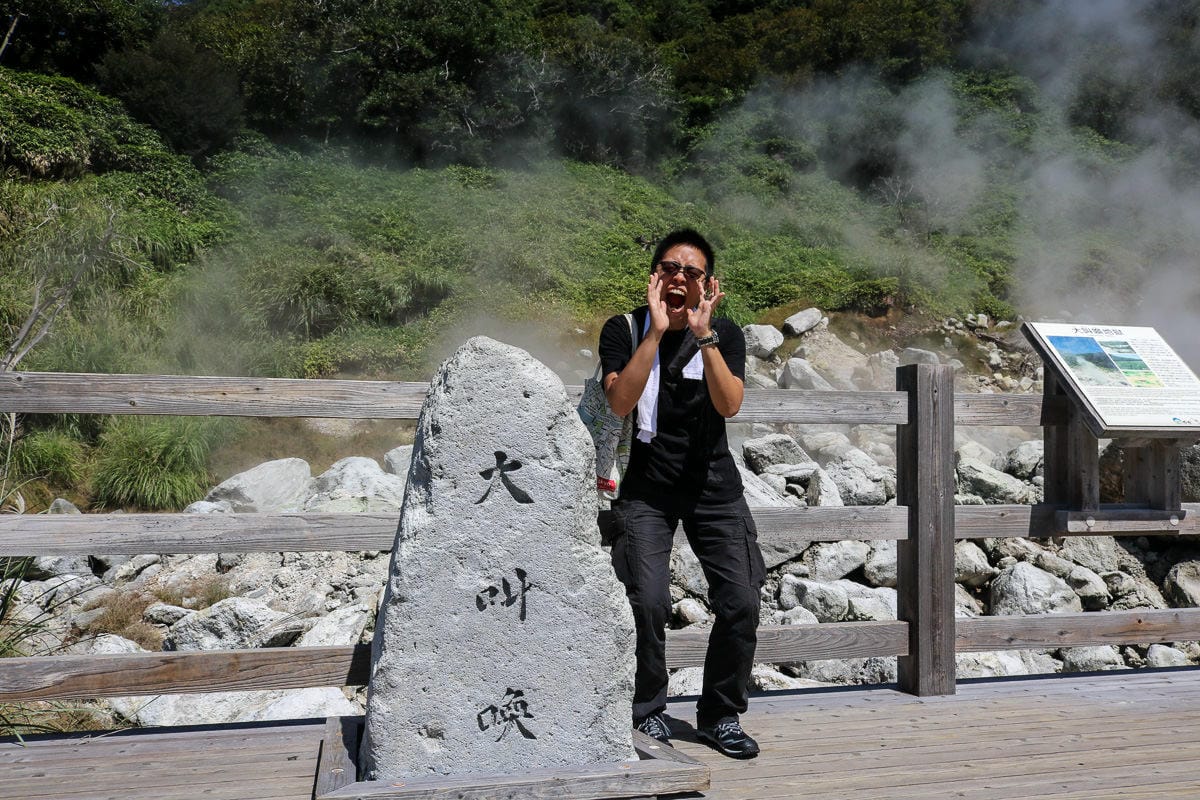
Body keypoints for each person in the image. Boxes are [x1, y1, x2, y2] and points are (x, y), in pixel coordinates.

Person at [598, 229, 765, 759]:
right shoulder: (624, 329)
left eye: (691, 273)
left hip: (714, 487)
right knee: (647, 601)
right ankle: (645, 710)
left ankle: (719, 716)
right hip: (645, 490)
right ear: (654, 276)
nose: (679, 279)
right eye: (670, 268)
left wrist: (704, 336)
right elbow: (619, 402)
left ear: (707, 285)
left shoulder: (725, 334)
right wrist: (655, 333)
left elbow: (730, 403)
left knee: (741, 600)